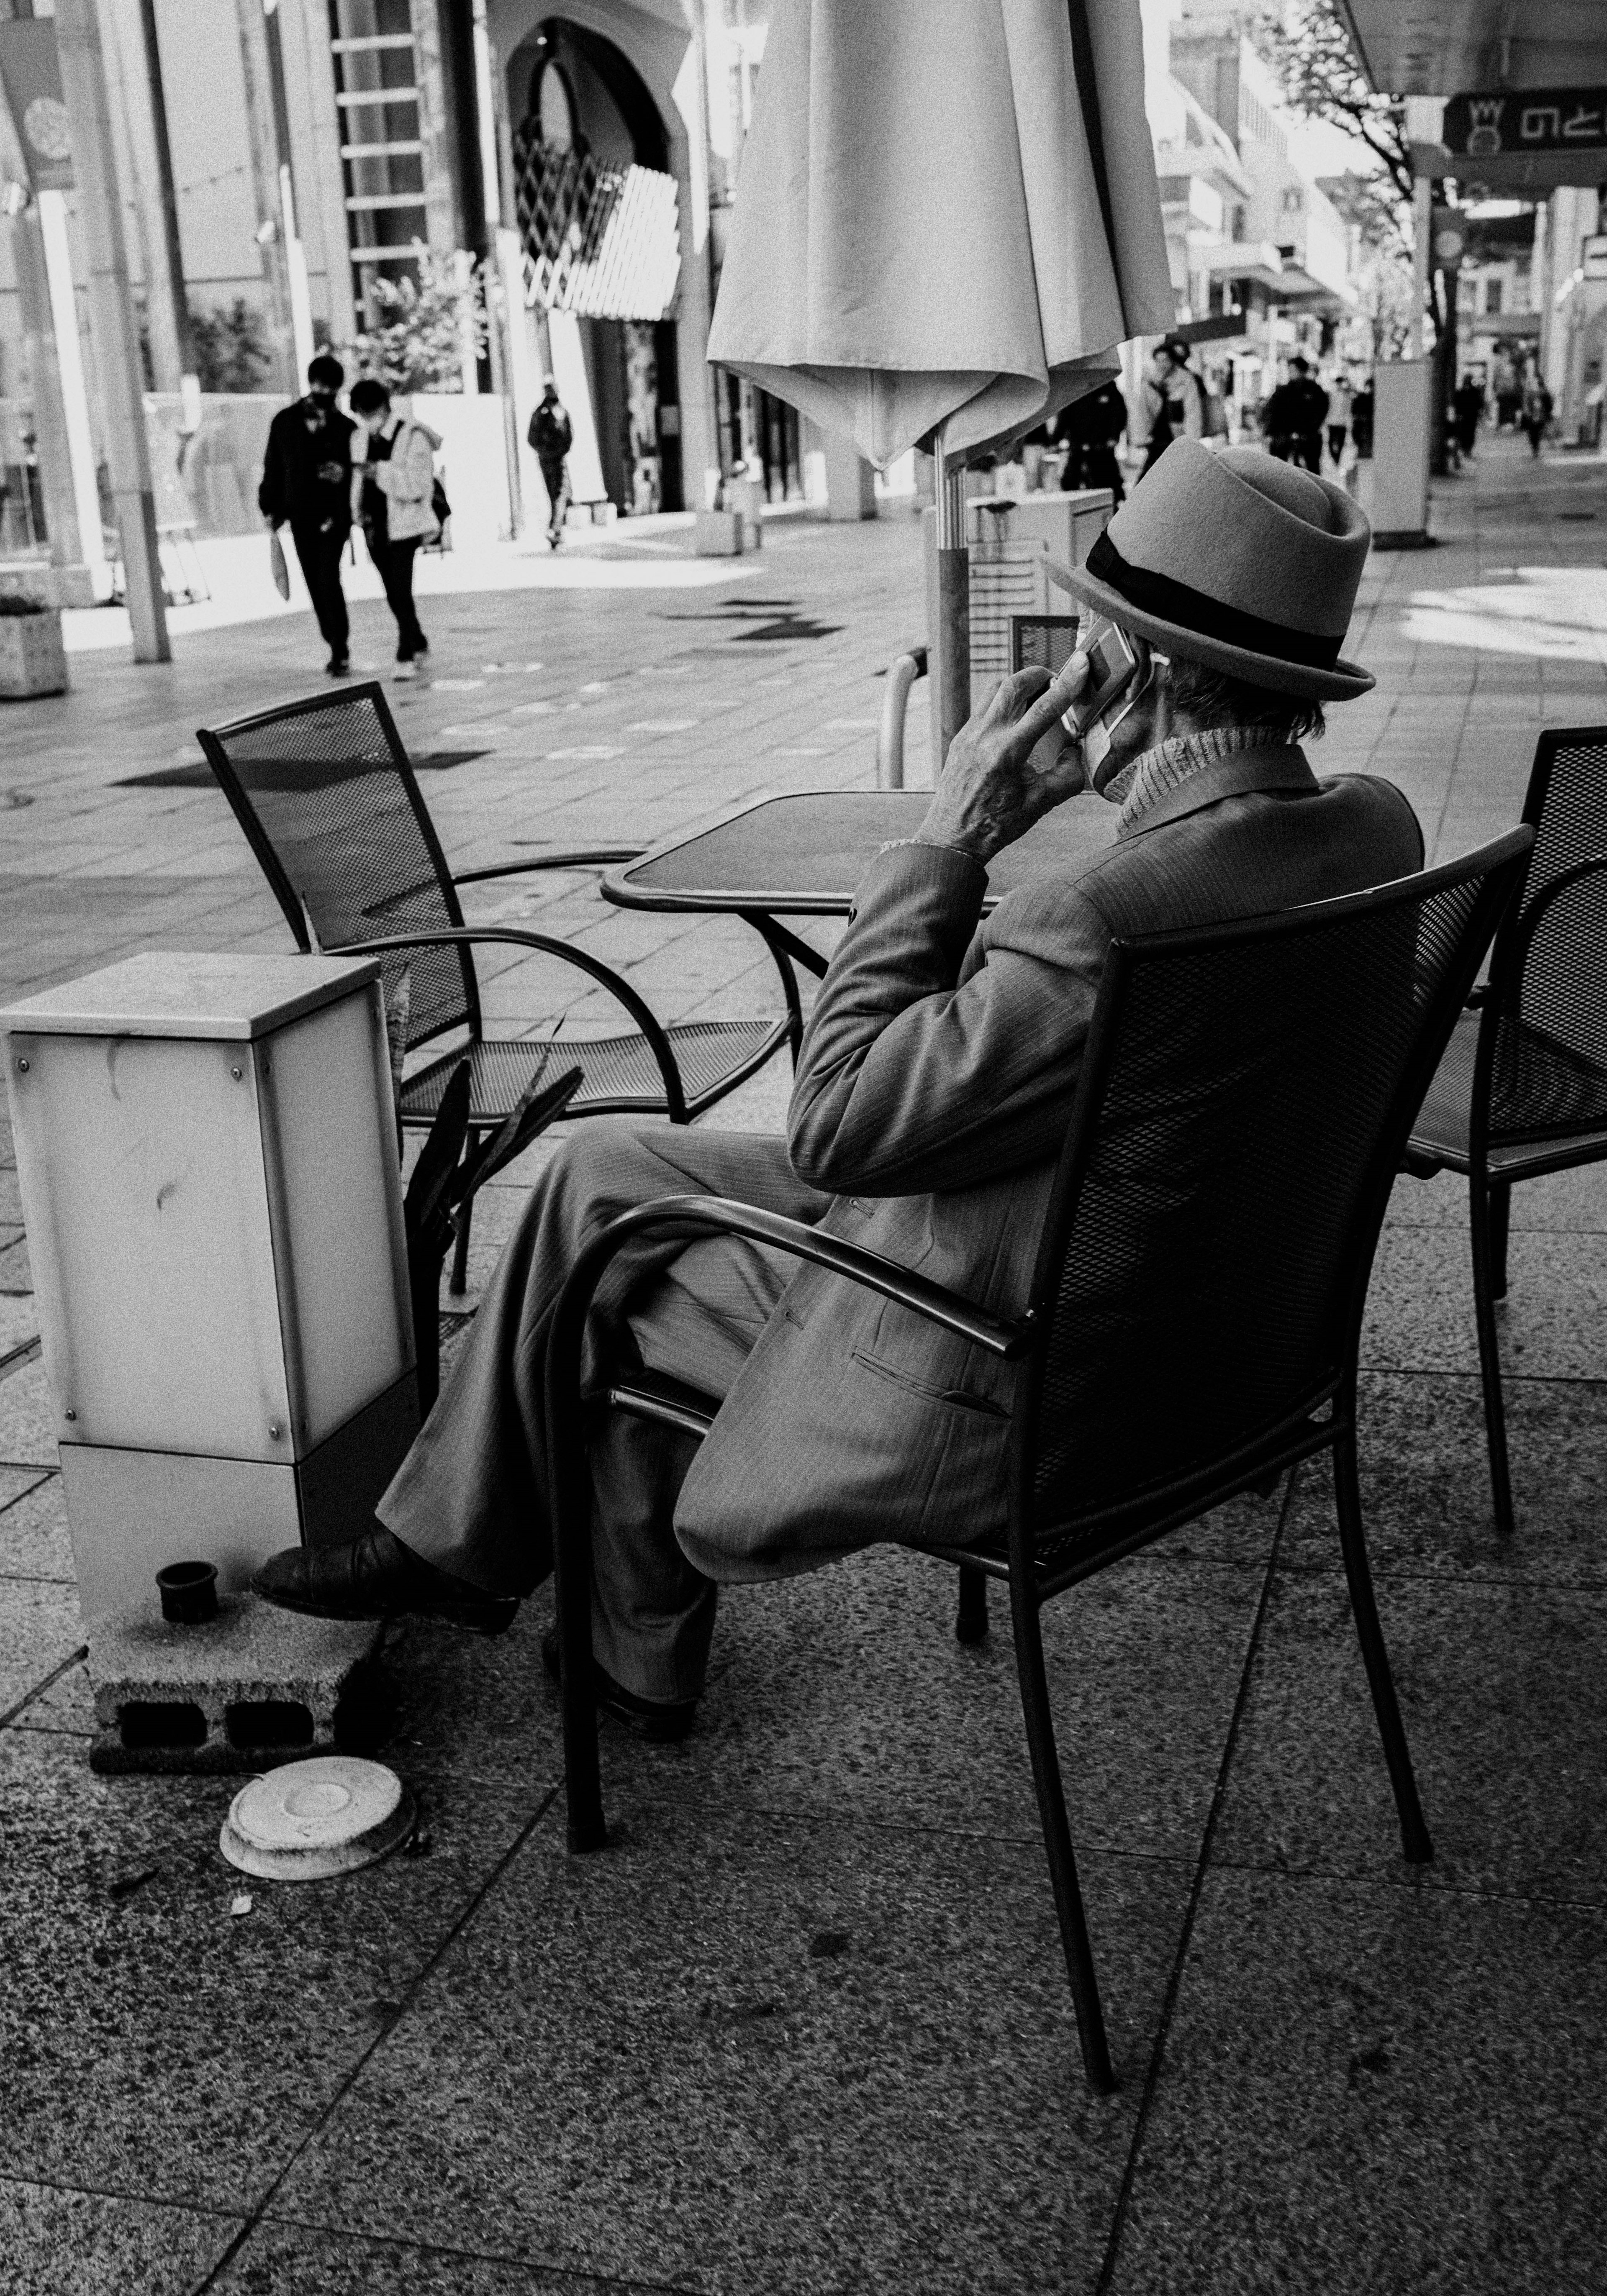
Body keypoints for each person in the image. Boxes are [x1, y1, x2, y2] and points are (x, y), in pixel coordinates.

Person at [254, 440, 1422, 1741]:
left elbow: (841, 1124)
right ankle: (509, 1583)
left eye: (1092, 628)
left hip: (1020, 1373)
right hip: (1199, 1337)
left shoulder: (1104, 921)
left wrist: (951, 839)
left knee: (618, 1285)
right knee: (601, 1173)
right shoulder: (1367, 831)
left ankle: (519, 1589)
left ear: (1135, 672)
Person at [258, 354, 354, 676]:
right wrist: (270, 507)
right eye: (321, 385)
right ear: (311, 383)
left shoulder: (346, 428)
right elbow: (274, 467)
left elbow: (354, 473)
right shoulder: (284, 422)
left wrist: (342, 476)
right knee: (314, 580)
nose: (326, 392)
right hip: (300, 514)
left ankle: (340, 645)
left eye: (332, 387)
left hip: (334, 516)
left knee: (328, 578)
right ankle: (332, 641)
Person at [349, 377, 439, 680]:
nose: (367, 420)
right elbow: (356, 482)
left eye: (369, 412)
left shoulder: (412, 436)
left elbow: (417, 486)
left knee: (400, 588)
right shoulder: (360, 438)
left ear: (385, 408)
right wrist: (357, 511)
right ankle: (418, 638)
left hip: (405, 524)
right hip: (374, 525)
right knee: (391, 589)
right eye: (361, 414)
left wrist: (380, 472)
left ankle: (406, 653)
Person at [1055, 379, 1128, 502]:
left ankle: (1112, 509)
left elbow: (1119, 413)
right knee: (1070, 482)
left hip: (1102, 447)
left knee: (1107, 483)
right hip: (1078, 445)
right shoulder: (1074, 389)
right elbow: (1065, 415)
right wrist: (1056, 439)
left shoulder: (1108, 387)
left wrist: (1113, 437)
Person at [1138, 339, 1202, 478]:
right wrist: (1141, 435)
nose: (1162, 364)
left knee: (1178, 473)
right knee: (1150, 474)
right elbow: (1142, 411)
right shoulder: (1150, 381)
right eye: (1158, 360)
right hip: (1156, 435)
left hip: (1177, 434)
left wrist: (1192, 439)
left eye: (1166, 360)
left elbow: (1192, 411)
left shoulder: (1186, 380)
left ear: (1173, 361)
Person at [528, 377, 573, 548]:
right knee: (559, 495)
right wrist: (553, 452)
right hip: (554, 460)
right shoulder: (554, 412)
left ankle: (557, 532)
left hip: (548, 458)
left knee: (557, 496)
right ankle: (554, 529)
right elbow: (567, 436)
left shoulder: (540, 412)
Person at [1264, 357, 1328, 473]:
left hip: (1308, 436)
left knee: (1311, 471)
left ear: (1302, 371)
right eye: (1290, 370)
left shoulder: (1315, 390)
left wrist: (1311, 428)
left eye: (1293, 370)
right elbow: (1271, 411)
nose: (1291, 373)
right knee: (1280, 471)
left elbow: (1321, 410)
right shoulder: (1283, 391)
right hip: (1285, 436)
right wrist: (1270, 432)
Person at [1454, 374, 1484, 459]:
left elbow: (1458, 404)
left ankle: (1466, 451)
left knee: (1465, 434)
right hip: (1470, 417)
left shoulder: (1461, 392)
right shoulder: (1474, 392)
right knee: (1468, 434)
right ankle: (1467, 451)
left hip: (1466, 417)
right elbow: (1480, 404)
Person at [1522, 377, 1553, 459]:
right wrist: (1528, 414)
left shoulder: (1545, 394)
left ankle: (1536, 450)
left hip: (1541, 417)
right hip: (1532, 417)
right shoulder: (1530, 395)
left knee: (1537, 434)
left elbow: (1549, 406)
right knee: (1533, 434)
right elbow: (1526, 405)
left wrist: (1547, 415)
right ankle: (1535, 450)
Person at [1325, 374, 1351, 469]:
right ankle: (1334, 457)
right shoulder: (1331, 395)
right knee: (1331, 441)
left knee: (1341, 442)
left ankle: (1338, 458)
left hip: (1342, 423)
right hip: (1332, 422)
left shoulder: (1346, 395)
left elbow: (1348, 410)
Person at [1350, 379, 1374, 461]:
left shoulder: (1373, 399)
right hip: (1360, 423)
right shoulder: (1360, 398)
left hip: (1368, 424)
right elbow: (1354, 410)